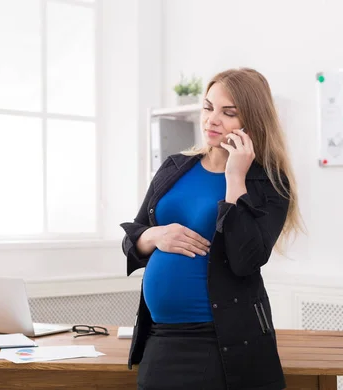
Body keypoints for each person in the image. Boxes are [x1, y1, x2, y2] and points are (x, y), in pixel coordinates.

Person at [120, 68, 303, 390]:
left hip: (218, 337)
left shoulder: (268, 183)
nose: (212, 120)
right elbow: (134, 235)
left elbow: (246, 260)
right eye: (208, 108)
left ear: (253, 121)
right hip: (160, 334)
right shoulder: (175, 167)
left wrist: (235, 179)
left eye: (228, 113)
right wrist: (154, 235)